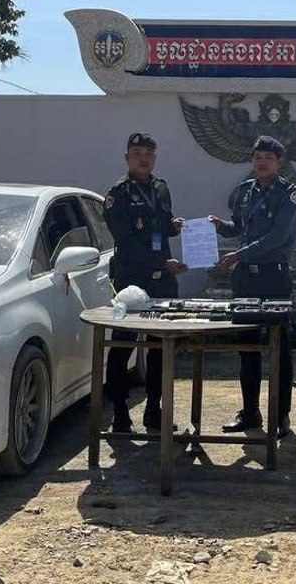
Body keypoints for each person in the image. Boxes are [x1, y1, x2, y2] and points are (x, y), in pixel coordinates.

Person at [209, 135, 296, 438]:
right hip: (245, 278)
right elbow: (239, 227)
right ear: (252, 160)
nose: (262, 162)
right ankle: (250, 413)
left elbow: (278, 236)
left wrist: (239, 254)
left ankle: (281, 416)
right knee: (247, 347)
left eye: (268, 158)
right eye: (258, 157)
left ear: (279, 162)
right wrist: (219, 226)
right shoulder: (245, 191)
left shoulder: (289, 194)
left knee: (279, 349)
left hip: (273, 277)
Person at [103, 132, 187, 433]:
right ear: (127, 157)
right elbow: (126, 241)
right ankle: (120, 413)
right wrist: (162, 263)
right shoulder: (118, 194)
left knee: (159, 347)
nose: (143, 159)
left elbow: (160, 226)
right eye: (137, 153)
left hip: (162, 282)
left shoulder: (160, 188)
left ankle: (154, 409)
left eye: (149, 154)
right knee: (122, 345)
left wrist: (174, 227)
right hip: (131, 282)